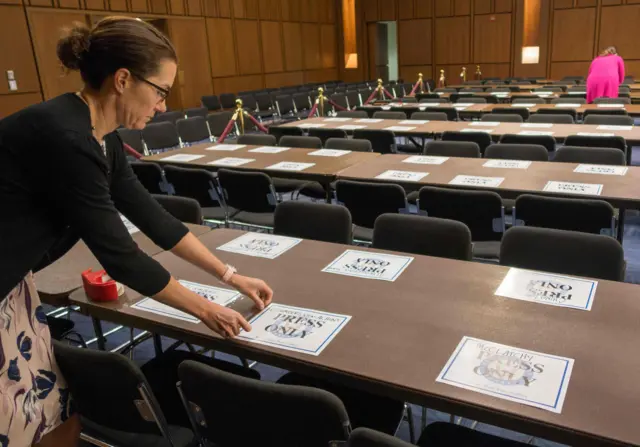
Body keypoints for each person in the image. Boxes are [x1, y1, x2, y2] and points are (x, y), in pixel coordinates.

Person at [0, 17, 273, 446]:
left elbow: (151, 216)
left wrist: (230, 276)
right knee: (19, 426)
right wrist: (208, 311)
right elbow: (121, 257)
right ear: (123, 79)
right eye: (161, 91)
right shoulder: (65, 135)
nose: (164, 105)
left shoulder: (100, 135)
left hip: (14, 284)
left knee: (54, 411)